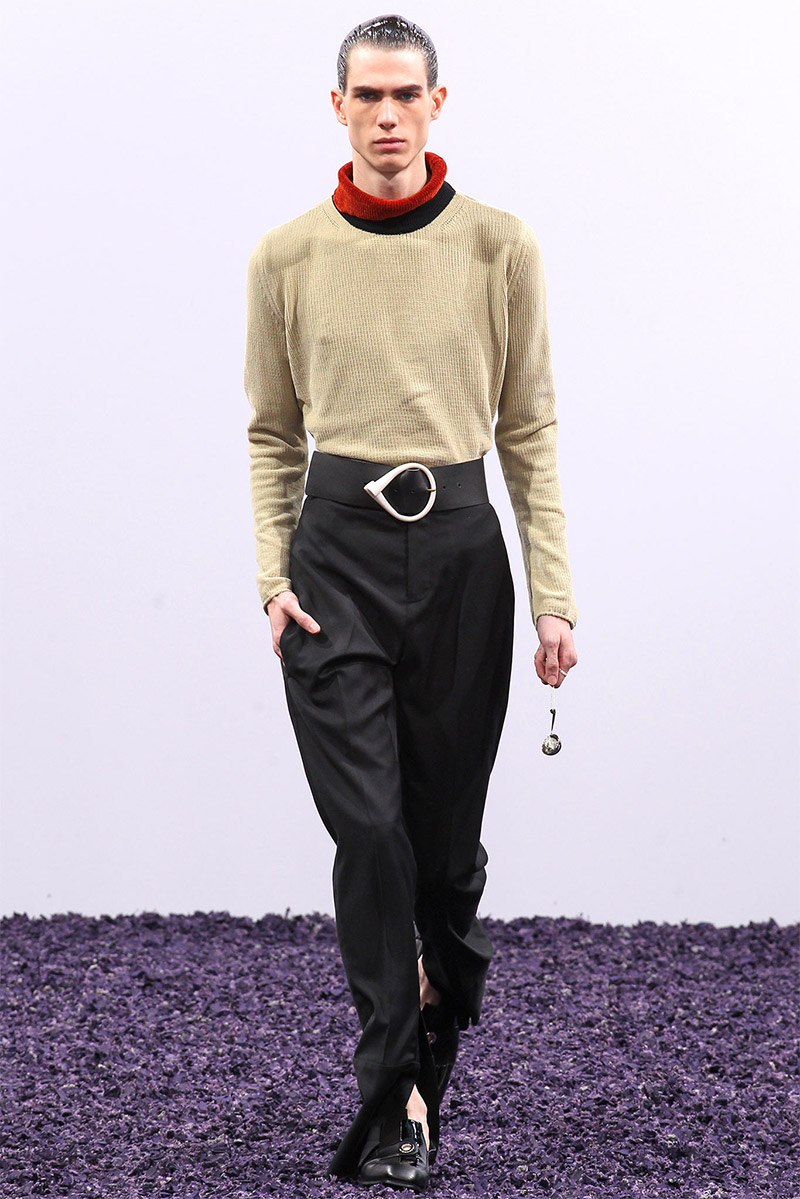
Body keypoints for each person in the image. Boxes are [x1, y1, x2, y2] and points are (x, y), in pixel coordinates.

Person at [243, 14, 578, 1191]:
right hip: (332, 557)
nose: (385, 115)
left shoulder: (498, 246)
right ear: (335, 105)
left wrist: (552, 596)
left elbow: (528, 428)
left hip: (460, 557)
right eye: (366, 96)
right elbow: (270, 431)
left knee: (442, 857)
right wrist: (273, 576)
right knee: (371, 834)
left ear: (438, 104)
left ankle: (440, 997)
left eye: (404, 95)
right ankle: (392, 1093)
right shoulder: (286, 255)